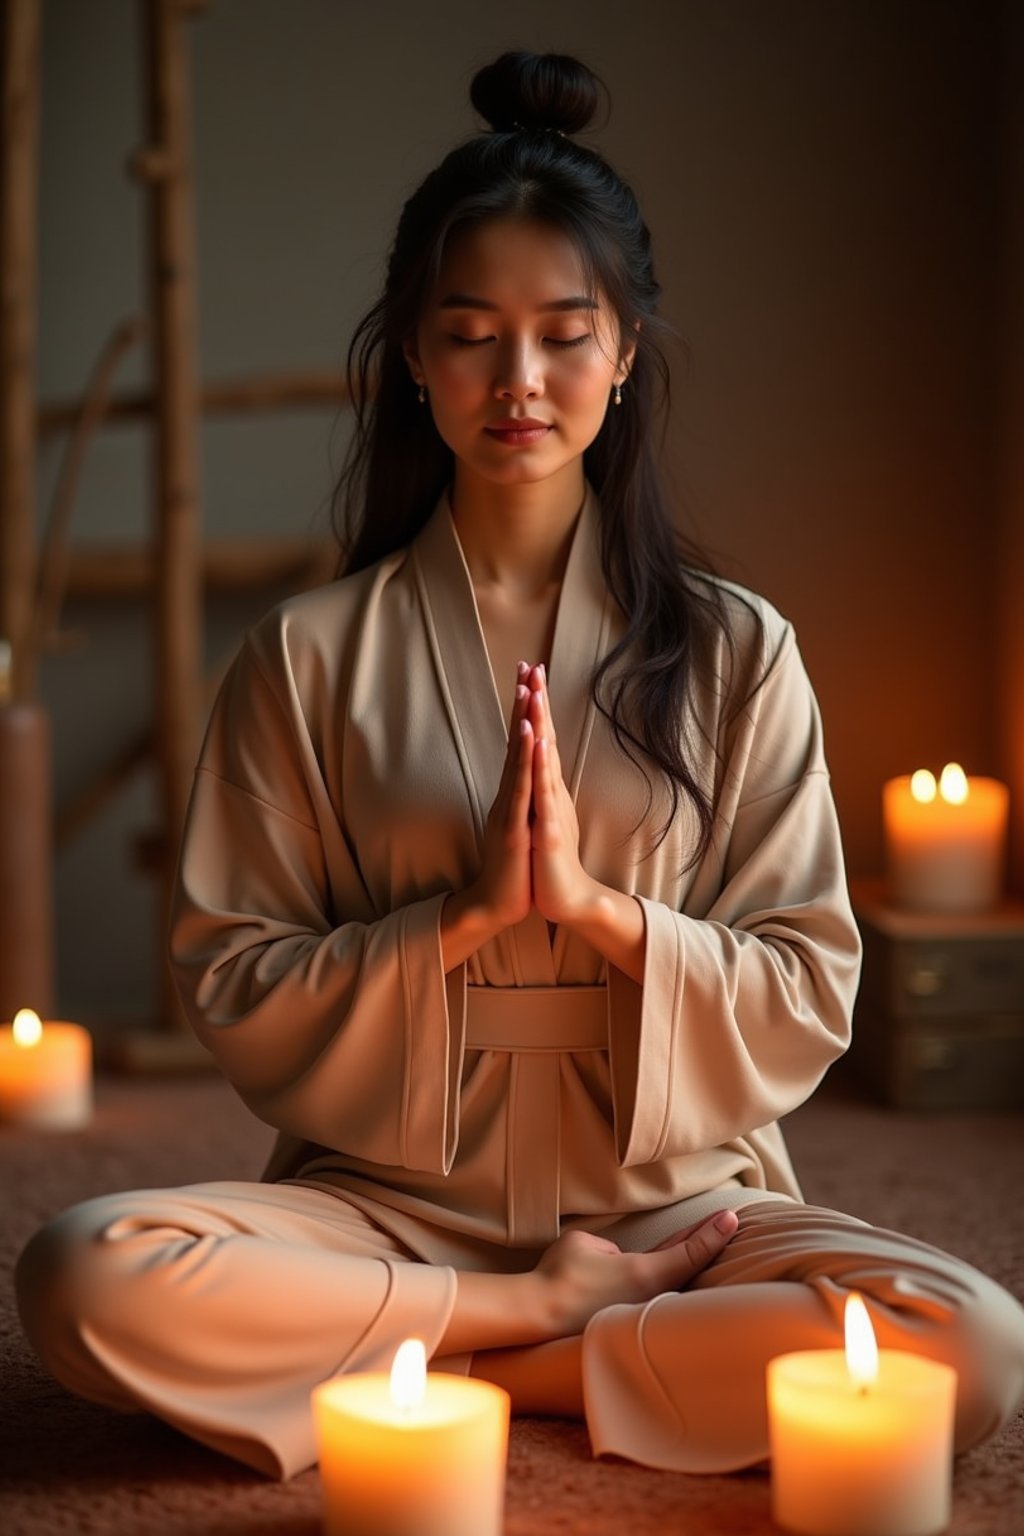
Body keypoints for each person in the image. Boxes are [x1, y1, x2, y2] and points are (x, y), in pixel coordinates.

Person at [16, 50, 1024, 1482]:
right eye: (473, 332)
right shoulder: (305, 657)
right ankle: (514, 1321)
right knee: (81, 1271)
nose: (521, 380)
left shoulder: (739, 652)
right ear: (414, 357)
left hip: (681, 1218)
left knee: (971, 1337)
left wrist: (600, 914)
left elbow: (810, 982)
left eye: (565, 332)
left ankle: (480, 1367)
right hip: (387, 1210)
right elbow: (232, 979)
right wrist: (469, 920)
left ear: (623, 355)